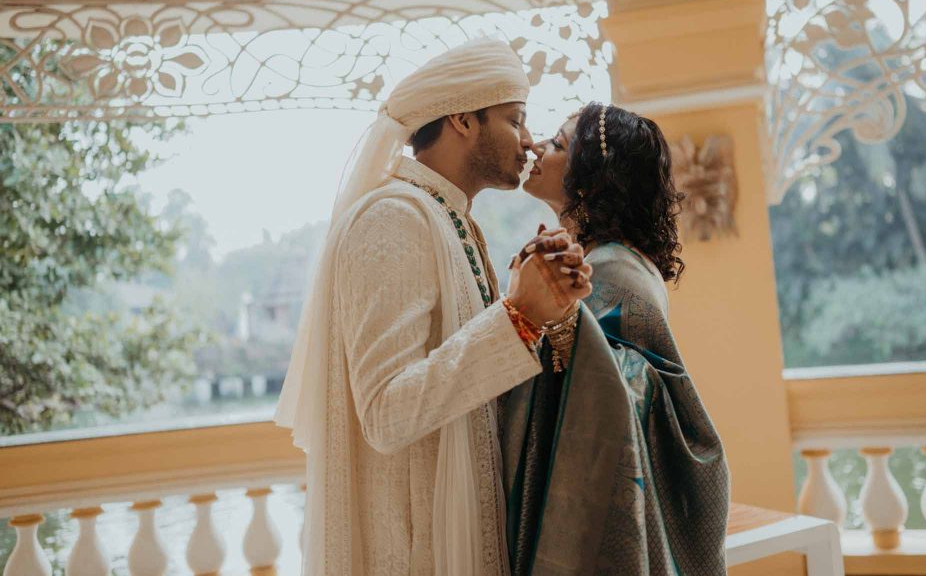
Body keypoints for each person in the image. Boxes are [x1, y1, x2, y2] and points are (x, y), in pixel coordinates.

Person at [274, 39, 593, 576]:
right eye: (515, 120)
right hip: (417, 550)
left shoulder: (450, 218)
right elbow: (386, 413)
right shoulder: (392, 219)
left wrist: (549, 307)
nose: (530, 141)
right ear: (464, 120)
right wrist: (517, 317)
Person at [501, 102, 730, 575]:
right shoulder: (594, 258)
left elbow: (619, 393)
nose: (538, 146)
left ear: (590, 179)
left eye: (559, 145)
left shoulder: (611, 269)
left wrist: (549, 322)